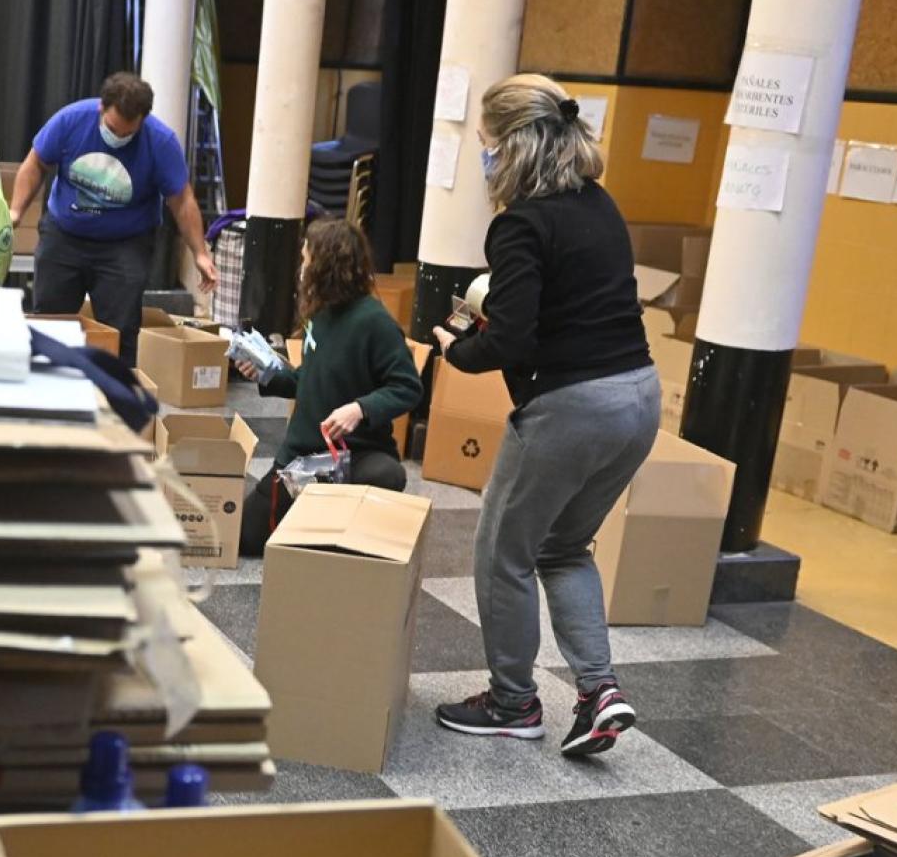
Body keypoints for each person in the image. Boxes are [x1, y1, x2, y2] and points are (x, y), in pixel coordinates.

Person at [430, 73, 659, 759]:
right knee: (562, 547)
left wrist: (455, 348)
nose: (484, 157)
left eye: (487, 144)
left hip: (572, 407)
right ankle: (599, 692)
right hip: (639, 398)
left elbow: (511, 340)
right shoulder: (600, 204)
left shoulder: (520, 224)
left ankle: (512, 702)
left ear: (512, 145)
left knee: (504, 552)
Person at [235, 217, 422, 559]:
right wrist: (265, 376)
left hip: (354, 455)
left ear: (326, 265)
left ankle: (333, 524)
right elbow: (310, 380)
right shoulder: (321, 315)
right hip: (302, 459)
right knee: (246, 537)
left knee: (387, 474)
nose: (302, 268)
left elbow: (409, 387)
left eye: (306, 259)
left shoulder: (375, 322)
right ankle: (318, 521)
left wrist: (360, 408)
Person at [10, 73, 216, 363]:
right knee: (50, 323)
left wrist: (200, 253)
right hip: (65, 235)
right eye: (112, 128)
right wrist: (16, 211)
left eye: (127, 133)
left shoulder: (160, 141)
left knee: (120, 331)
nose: (118, 137)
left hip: (125, 244)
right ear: (101, 109)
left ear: (143, 120)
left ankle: (117, 396)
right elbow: (35, 164)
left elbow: (181, 200)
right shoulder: (71, 121)